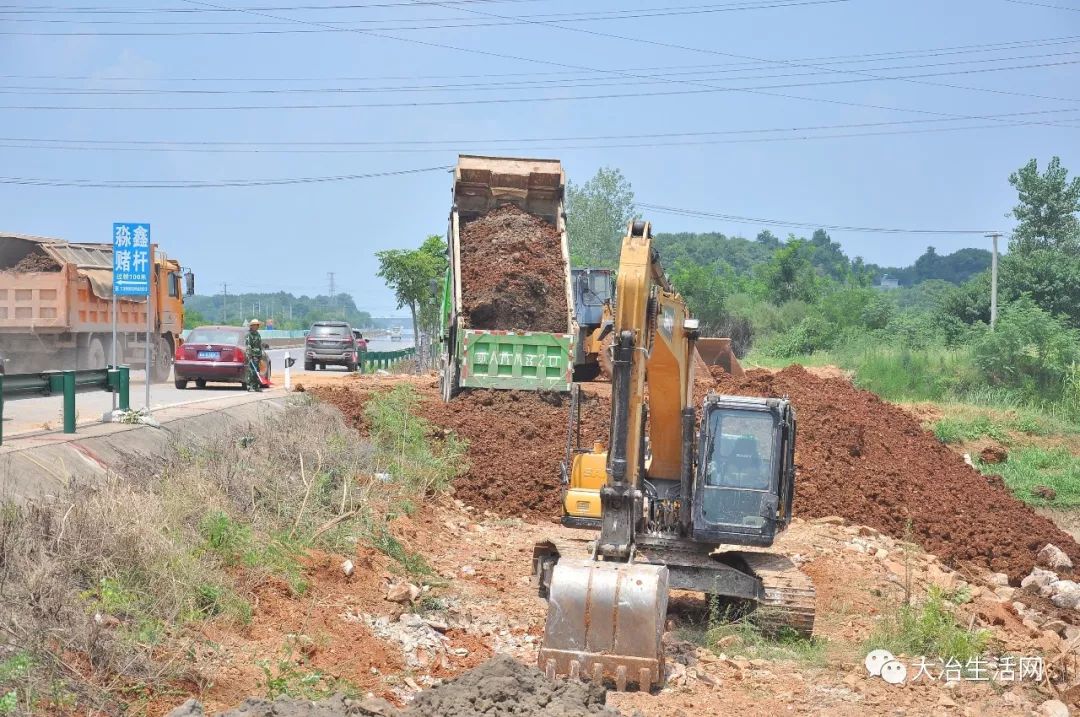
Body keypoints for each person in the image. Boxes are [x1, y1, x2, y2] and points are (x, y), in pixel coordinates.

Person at [245, 318, 265, 392]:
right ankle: (250, 385)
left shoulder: (258, 334)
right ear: (252, 326)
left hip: (258, 354)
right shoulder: (249, 335)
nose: (256, 326)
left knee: (257, 370)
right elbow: (248, 345)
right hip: (252, 355)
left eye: (257, 325)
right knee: (253, 371)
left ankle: (256, 386)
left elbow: (259, 344)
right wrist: (249, 354)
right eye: (255, 325)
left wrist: (261, 352)